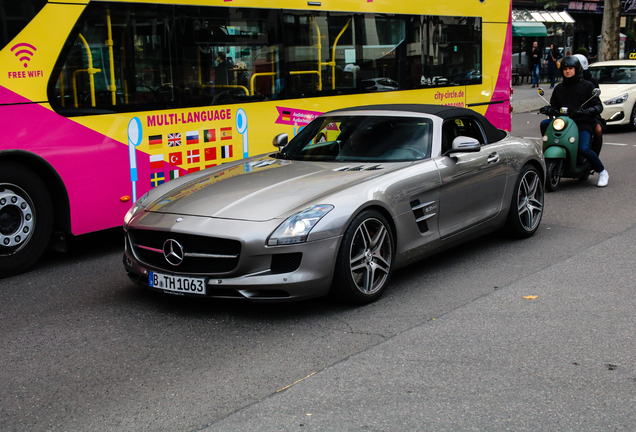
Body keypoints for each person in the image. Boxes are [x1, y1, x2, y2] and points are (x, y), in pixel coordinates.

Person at [540, 55, 608, 187]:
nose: (568, 71)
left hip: (581, 123)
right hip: (563, 122)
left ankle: (602, 171)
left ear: (577, 69)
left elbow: (598, 106)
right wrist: (547, 109)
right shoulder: (559, 88)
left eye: (571, 68)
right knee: (544, 124)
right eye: (565, 69)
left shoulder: (587, 86)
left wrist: (590, 110)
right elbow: (554, 106)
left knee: (583, 148)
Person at [574, 53, 605, 155]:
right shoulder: (567, 81)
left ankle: (594, 155)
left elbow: (595, 100)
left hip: (588, 114)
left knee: (598, 130)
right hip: (571, 113)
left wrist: (591, 109)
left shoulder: (591, 82)